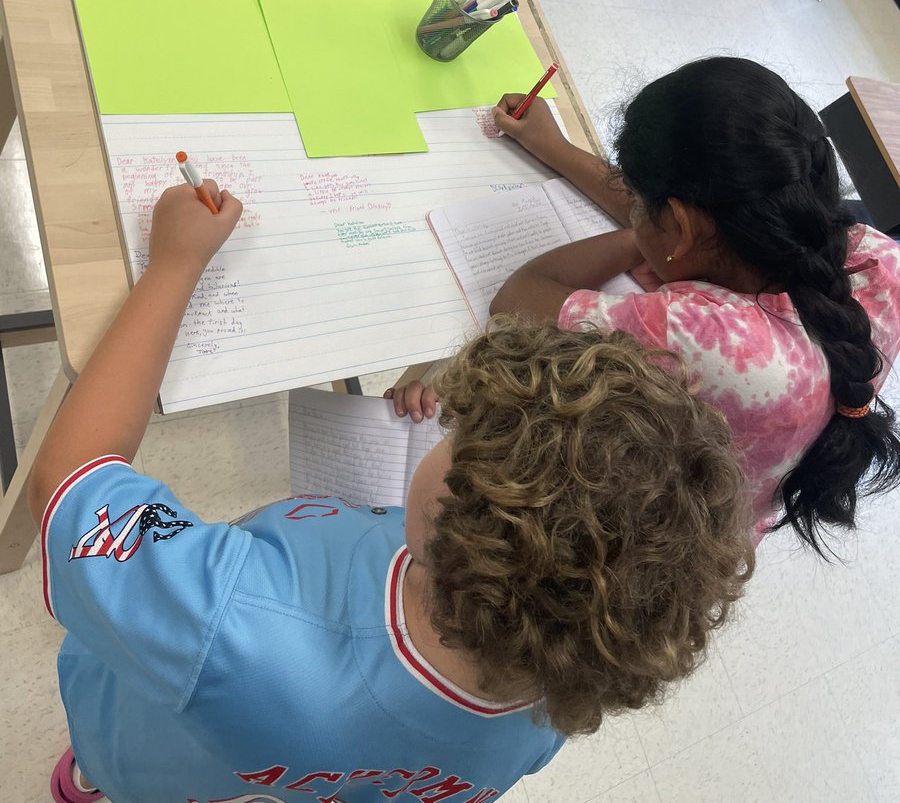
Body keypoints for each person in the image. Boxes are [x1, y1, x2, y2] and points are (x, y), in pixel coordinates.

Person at [32, 181, 753, 803]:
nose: (445, 421)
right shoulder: (552, 692)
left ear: (452, 518)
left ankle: (90, 780)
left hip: (143, 740)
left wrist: (174, 262)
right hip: (266, 764)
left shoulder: (230, 617)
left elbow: (72, 476)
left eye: (456, 432)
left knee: (121, 761)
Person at [487, 57, 900, 554]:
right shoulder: (880, 258)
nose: (631, 206)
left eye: (638, 201)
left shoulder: (708, 339)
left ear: (682, 230)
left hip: (667, 544)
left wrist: (631, 242)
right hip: (740, 504)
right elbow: (695, 227)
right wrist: (555, 147)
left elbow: (515, 300)